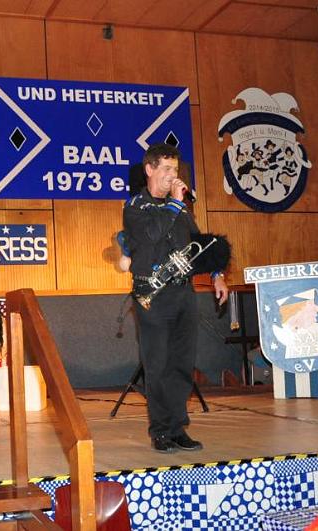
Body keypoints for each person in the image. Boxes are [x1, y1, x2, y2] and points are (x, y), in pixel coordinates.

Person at [122, 143, 229, 453]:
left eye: (176, 169)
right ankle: (160, 431)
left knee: (182, 363)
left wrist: (217, 274)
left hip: (183, 293)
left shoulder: (179, 208)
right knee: (157, 364)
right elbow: (152, 235)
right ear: (150, 169)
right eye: (166, 169)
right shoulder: (135, 207)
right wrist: (175, 203)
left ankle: (177, 427)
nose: (173, 175)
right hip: (153, 296)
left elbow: (199, 243)